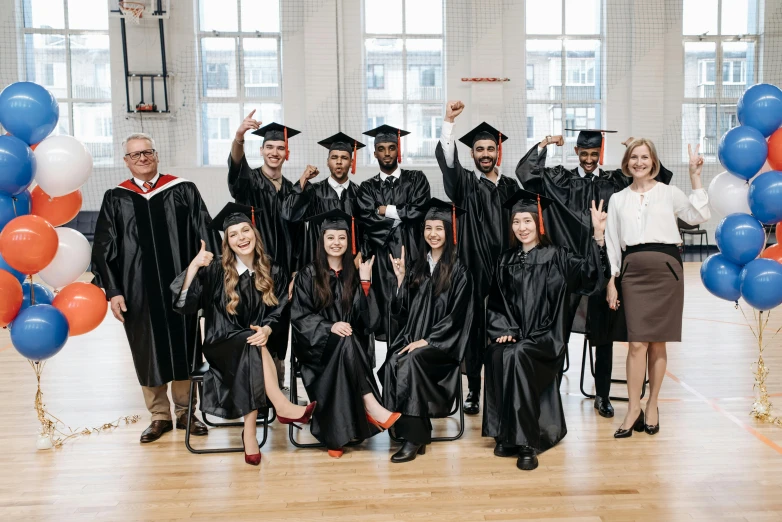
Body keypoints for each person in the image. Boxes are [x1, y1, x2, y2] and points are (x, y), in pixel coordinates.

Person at [515, 129, 673, 418]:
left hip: (603, 271)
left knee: (603, 336)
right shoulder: (560, 181)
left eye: (593, 154)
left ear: (600, 153)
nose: (589, 159)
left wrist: (635, 146)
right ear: (576, 152)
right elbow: (525, 172)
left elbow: (658, 181)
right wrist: (546, 143)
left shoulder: (615, 182)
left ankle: (602, 395)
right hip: (567, 270)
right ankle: (549, 394)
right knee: (556, 332)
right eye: (584, 154)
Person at [91, 132, 221, 443]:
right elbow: (104, 248)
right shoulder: (116, 197)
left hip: (182, 286)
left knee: (186, 346)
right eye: (135, 155)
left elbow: (205, 235)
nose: (142, 158)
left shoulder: (183, 189)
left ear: (156, 155)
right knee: (146, 349)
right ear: (126, 161)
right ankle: (159, 415)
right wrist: (114, 291)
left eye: (147, 152)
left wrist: (205, 279)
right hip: (138, 290)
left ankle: (186, 412)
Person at [170, 203, 316, 465]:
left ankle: (249, 433)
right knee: (252, 344)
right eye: (233, 235)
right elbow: (185, 305)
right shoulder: (215, 270)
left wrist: (268, 328)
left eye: (245, 230)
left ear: (254, 234)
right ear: (227, 243)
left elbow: (281, 310)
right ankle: (280, 406)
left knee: (253, 344)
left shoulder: (273, 270)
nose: (241, 238)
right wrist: (193, 267)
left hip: (255, 345)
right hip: (220, 344)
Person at [484, 189, 608, 471]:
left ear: (539, 222)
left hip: (545, 339)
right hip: (514, 334)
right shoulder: (505, 260)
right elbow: (495, 302)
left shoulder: (558, 256)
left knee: (517, 355)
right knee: (496, 352)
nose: (521, 227)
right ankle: (506, 434)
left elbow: (590, 277)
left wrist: (598, 236)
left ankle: (528, 442)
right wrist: (503, 328)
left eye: (527, 221)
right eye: (516, 222)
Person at [605, 140, 709, 438]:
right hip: (633, 272)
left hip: (666, 272)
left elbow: (697, 216)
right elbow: (613, 243)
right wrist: (612, 279)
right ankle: (633, 408)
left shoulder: (669, 192)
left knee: (658, 343)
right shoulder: (618, 199)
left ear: (654, 162)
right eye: (634, 157)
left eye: (645, 157)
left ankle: (652, 404)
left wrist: (695, 177)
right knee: (636, 343)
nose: (639, 162)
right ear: (627, 162)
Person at [291, 209, 401, 458]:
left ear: (348, 241)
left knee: (348, 340)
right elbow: (299, 318)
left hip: (348, 353)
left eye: (341, 237)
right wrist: (328, 326)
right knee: (345, 339)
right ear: (322, 241)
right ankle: (371, 404)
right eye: (330, 238)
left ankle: (335, 438)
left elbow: (370, 322)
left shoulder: (354, 275)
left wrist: (364, 283)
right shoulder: (308, 274)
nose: (336, 243)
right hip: (316, 350)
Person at [435, 101, 519, 415]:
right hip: (474, 270)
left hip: (508, 273)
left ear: (498, 152)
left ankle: (502, 389)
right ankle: (473, 391)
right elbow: (448, 165)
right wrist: (448, 123)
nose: (485, 153)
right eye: (479, 149)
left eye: (490, 149)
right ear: (472, 153)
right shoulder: (467, 186)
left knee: (505, 332)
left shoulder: (511, 187)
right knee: (473, 334)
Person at [383, 198, 474, 463]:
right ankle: (416, 431)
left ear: (450, 231)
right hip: (415, 341)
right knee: (391, 361)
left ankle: (413, 439)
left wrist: (428, 341)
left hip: (442, 348)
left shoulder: (459, 271)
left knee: (410, 361)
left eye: (440, 228)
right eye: (428, 228)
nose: (433, 234)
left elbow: (457, 318)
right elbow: (401, 314)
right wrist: (400, 281)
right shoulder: (416, 266)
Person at [229, 115, 306, 383]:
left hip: (283, 270)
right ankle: (253, 383)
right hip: (254, 269)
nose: (275, 152)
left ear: (287, 152)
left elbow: (300, 235)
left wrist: (296, 272)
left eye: (280, 148)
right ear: (261, 150)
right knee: (253, 321)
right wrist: (239, 137)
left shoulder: (291, 191)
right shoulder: (249, 183)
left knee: (279, 323)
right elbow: (236, 167)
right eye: (270, 147)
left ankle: (276, 380)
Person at [356, 124, 431, 345]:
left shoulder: (417, 179)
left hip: (414, 255)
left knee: (415, 312)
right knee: (387, 314)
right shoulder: (366, 188)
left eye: (391, 147)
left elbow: (419, 211)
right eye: (381, 148)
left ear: (398, 150)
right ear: (375, 152)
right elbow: (369, 220)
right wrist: (403, 213)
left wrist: (385, 210)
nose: (387, 153)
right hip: (382, 262)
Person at [281, 132, 368, 271]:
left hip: (351, 266)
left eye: (344, 158)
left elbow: (369, 229)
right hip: (319, 267)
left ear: (351, 162)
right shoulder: (313, 191)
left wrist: (362, 254)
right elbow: (288, 213)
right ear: (327, 162)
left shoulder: (361, 194)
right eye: (334, 157)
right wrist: (303, 179)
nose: (339, 162)